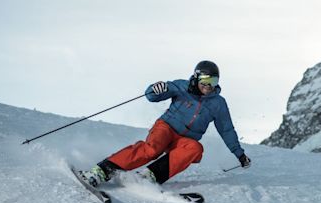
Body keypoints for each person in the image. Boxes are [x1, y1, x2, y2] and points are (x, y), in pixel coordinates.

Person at [82, 60, 250, 187]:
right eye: (206, 80)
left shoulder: (218, 103)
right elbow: (152, 96)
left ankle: (149, 177)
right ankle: (102, 170)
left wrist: (239, 154)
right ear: (197, 77)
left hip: (183, 141)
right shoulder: (182, 86)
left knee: (195, 148)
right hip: (166, 127)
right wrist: (155, 88)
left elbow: (226, 129)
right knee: (152, 149)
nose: (209, 86)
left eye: (213, 81)